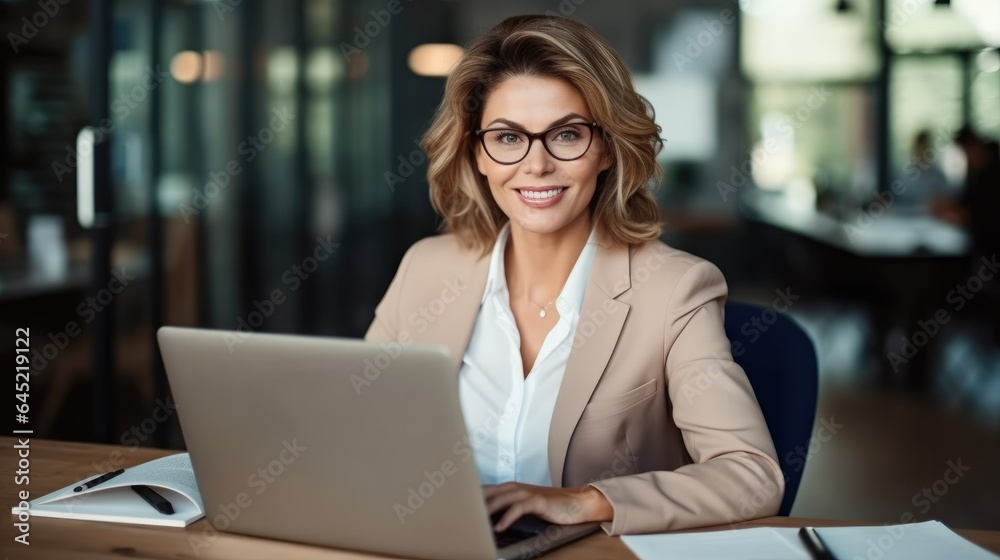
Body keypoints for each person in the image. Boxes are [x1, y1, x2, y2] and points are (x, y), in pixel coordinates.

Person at [365, 15, 782, 536]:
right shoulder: (426, 268)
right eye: (508, 137)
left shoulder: (675, 290)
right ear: (478, 154)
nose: (536, 165)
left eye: (566, 134)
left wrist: (585, 500)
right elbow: (357, 427)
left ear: (606, 148)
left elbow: (752, 475)